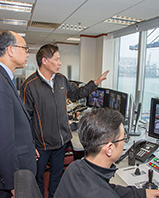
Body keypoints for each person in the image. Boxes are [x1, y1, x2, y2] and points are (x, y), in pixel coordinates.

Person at [20, 44, 109, 198]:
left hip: (61, 141)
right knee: (38, 178)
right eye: (57, 59)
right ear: (45, 61)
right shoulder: (29, 85)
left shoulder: (61, 79)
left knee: (57, 176)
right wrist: (30, 143)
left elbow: (77, 94)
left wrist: (95, 83)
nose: (60, 63)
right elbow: (25, 118)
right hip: (41, 144)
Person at [54, 108, 159, 198]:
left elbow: (107, 187)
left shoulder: (75, 167)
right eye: (124, 139)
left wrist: (142, 193)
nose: (124, 143)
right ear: (109, 149)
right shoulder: (101, 194)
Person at [0, 30, 36, 198]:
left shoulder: (0, 77)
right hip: (6, 178)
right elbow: (1, 139)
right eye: (24, 48)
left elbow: (12, 125)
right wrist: (13, 182)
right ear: (10, 50)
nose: (27, 53)